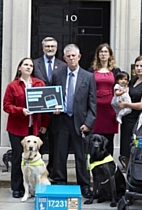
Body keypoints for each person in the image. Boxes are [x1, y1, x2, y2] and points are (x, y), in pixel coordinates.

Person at [51, 44, 97, 198]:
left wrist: (88, 123)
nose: (71, 58)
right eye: (68, 56)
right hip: (62, 119)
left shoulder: (88, 77)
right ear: (64, 58)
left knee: (81, 156)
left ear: (79, 57)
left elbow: (92, 104)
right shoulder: (57, 75)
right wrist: (53, 108)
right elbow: (52, 96)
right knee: (60, 154)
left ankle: (84, 185)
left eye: (74, 56)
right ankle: (59, 182)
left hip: (80, 122)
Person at [3, 57, 50, 198]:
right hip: (17, 128)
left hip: (34, 128)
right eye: (25, 65)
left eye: (30, 65)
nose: (29, 67)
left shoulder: (39, 84)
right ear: (20, 68)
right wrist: (20, 110)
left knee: (34, 158)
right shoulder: (13, 86)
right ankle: (17, 188)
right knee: (18, 157)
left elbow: (46, 106)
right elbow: (6, 106)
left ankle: (35, 187)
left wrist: (44, 125)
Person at [33, 37, 66, 178]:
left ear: (56, 48)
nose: (50, 49)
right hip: (39, 111)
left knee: (55, 142)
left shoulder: (63, 65)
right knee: (37, 141)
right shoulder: (35, 64)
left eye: (52, 46)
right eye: (47, 46)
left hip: (56, 111)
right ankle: (36, 170)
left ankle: (52, 171)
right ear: (43, 48)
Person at [119, 55, 142, 169]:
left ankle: (134, 174)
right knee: (126, 149)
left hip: (137, 120)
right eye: (137, 66)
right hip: (126, 119)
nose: (139, 68)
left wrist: (126, 104)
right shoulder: (133, 80)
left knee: (135, 148)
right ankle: (127, 172)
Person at [88, 43, 121, 156]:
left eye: (106, 52)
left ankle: (109, 164)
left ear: (110, 55)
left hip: (110, 109)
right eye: (101, 52)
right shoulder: (91, 70)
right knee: (95, 136)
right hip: (95, 107)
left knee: (109, 138)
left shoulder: (116, 71)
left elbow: (119, 88)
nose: (103, 54)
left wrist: (119, 110)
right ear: (97, 54)